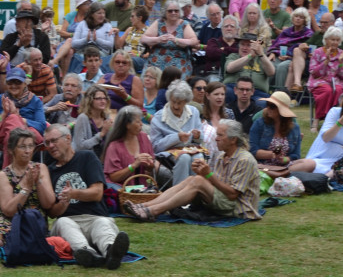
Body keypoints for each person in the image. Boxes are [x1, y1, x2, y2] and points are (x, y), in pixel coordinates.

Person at [124, 120, 261, 222]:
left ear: (233, 140)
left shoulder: (245, 160)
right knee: (193, 179)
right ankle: (144, 206)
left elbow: (232, 195)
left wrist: (208, 175)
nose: (216, 138)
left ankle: (152, 211)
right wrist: (203, 173)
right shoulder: (221, 156)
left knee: (199, 181)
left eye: (220, 135)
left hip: (238, 208)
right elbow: (218, 185)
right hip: (224, 201)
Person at [43, 124, 130, 269]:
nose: (51, 146)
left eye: (54, 140)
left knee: (103, 224)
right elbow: (52, 213)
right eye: (47, 143)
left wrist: (73, 194)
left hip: (94, 217)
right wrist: (63, 204)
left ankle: (111, 252)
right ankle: (88, 254)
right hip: (69, 220)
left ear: (68, 138)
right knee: (63, 223)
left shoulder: (86, 157)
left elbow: (97, 193)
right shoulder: (50, 171)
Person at [289, 91, 343, 174]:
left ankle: (329, 177)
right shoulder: (335, 112)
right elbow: (326, 138)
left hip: (341, 159)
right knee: (308, 164)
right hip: (323, 153)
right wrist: (340, 123)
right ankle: (281, 173)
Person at [149, 80, 205, 185]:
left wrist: (197, 135)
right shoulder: (159, 117)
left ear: (186, 101)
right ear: (169, 99)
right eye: (173, 101)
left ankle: (196, 194)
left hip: (191, 149)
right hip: (168, 152)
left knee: (198, 158)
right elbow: (155, 146)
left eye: (180, 103)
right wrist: (177, 137)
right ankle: (179, 195)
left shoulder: (193, 112)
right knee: (184, 157)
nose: (175, 106)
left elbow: (200, 139)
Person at [0, 67, 46, 162]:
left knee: (11, 131)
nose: (14, 86)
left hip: (30, 135)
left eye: (18, 82)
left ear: (25, 83)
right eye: (10, 83)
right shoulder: (1, 99)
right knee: (12, 118)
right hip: (1, 133)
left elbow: (41, 126)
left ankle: (9, 172)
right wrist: (4, 114)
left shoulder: (35, 101)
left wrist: (20, 119)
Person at [102, 106, 168, 187]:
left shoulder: (144, 137)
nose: (141, 124)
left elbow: (150, 168)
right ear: (127, 125)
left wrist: (149, 165)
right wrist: (133, 165)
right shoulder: (114, 146)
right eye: (138, 122)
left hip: (141, 188)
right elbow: (114, 177)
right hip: (120, 188)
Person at [307, 27, 343, 130]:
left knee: (339, 90)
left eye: (337, 40)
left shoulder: (342, 54)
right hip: (319, 81)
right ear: (326, 40)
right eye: (332, 39)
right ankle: (317, 120)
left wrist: (340, 63)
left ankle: (332, 120)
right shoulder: (318, 52)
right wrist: (325, 62)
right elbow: (314, 72)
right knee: (327, 90)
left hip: (337, 82)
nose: (335, 42)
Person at [141, 0, 198, 78]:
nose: (173, 13)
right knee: (149, 76)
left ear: (179, 12)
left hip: (178, 60)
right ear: (165, 12)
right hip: (156, 59)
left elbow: (194, 41)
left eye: (176, 11)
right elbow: (143, 39)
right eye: (170, 11)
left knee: (176, 78)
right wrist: (158, 39)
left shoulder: (184, 24)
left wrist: (176, 40)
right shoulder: (159, 22)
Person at [248, 91, 302, 169]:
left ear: (281, 110)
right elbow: (252, 150)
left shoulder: (294, 128)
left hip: (285, 167)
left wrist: (284, 159)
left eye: (272, 106)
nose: (268, 108)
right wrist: (272, 154)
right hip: (263, 166)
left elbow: (296, 155)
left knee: (309, 163)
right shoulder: (259, 124)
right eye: (267, 105)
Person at [268, 8, 313, 90]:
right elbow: (276, 45)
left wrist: (289, 57)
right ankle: (266, 92)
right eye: (296, 16)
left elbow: (306, 53)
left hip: (294, 60)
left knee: (282, 67)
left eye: (301, 17)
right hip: (280, 56)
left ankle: (280, 94)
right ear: (292, 18)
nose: (298, 18)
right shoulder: (286, 32)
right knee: (270, 65)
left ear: (305, 21)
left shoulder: (308, 34)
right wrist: (273, 53)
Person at [225, 32, 275, 101]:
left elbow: (271, 72)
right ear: (238, 46)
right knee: (226, 91)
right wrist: (250, 56)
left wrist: (261, 54)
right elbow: (230, 68)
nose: (244, 48)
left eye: (248, 45)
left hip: (257, 92)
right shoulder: (233, 56)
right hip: (234, 90)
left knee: (263, 103)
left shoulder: (261, 59)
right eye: (242, 44)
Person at [72, 84, 114, 157]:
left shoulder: (106, 117)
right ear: (90, 100)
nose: (103, 101)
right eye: (99, 98)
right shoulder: (83, 118)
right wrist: (101, 134)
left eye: (105, 98)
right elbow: (80, 146)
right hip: (87, 161)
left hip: (104, 159)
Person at [116, 4, 150, 72]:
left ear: (140, 18)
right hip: (125, 55)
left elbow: (150, 53)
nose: (130, 18)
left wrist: (137, 55)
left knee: (127, 61)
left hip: (139, 59)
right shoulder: (129, 29)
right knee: (112, 58)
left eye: (132, 16)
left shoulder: (148, 31)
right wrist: (116, 34)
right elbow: (119, 46)